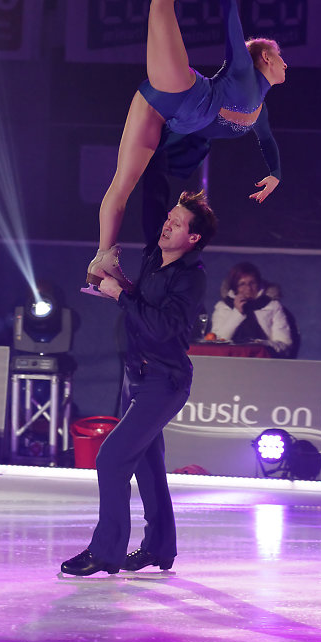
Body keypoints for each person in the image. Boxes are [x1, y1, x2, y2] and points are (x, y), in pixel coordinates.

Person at [83, 0, 286, 298]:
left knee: (121, 187)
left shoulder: (259, 112)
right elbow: (230, 15)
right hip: (184, 92)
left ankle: (102, 259)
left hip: (160, 112)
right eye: (280, 57)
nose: (285, 63)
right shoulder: (244, 68)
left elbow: (268, 142)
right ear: (264, 57)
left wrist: (276, 173)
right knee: (161, 1)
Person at [61, 189, 218, 577]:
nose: (167, 225)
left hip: (165, 382)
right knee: (148, 467)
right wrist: (118, 282)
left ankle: (106, 551)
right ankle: (159, 547)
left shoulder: (189, 278)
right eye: (169, 218)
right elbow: (144, 306)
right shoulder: (153, 257)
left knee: (111, 458)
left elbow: (163, 327)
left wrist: (118, 296)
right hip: (141, 376)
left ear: (193, 238)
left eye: (177, 223)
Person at [210, 262, 297, 358]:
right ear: (235, 287)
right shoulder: (223, 307)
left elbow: (285, 344)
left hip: (264, 363)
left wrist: (260, 345)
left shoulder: (273, 306)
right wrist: (237, 313)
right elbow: (216, 342)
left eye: (252, 283)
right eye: (242, 284)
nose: (248, 288)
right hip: (229, 361)